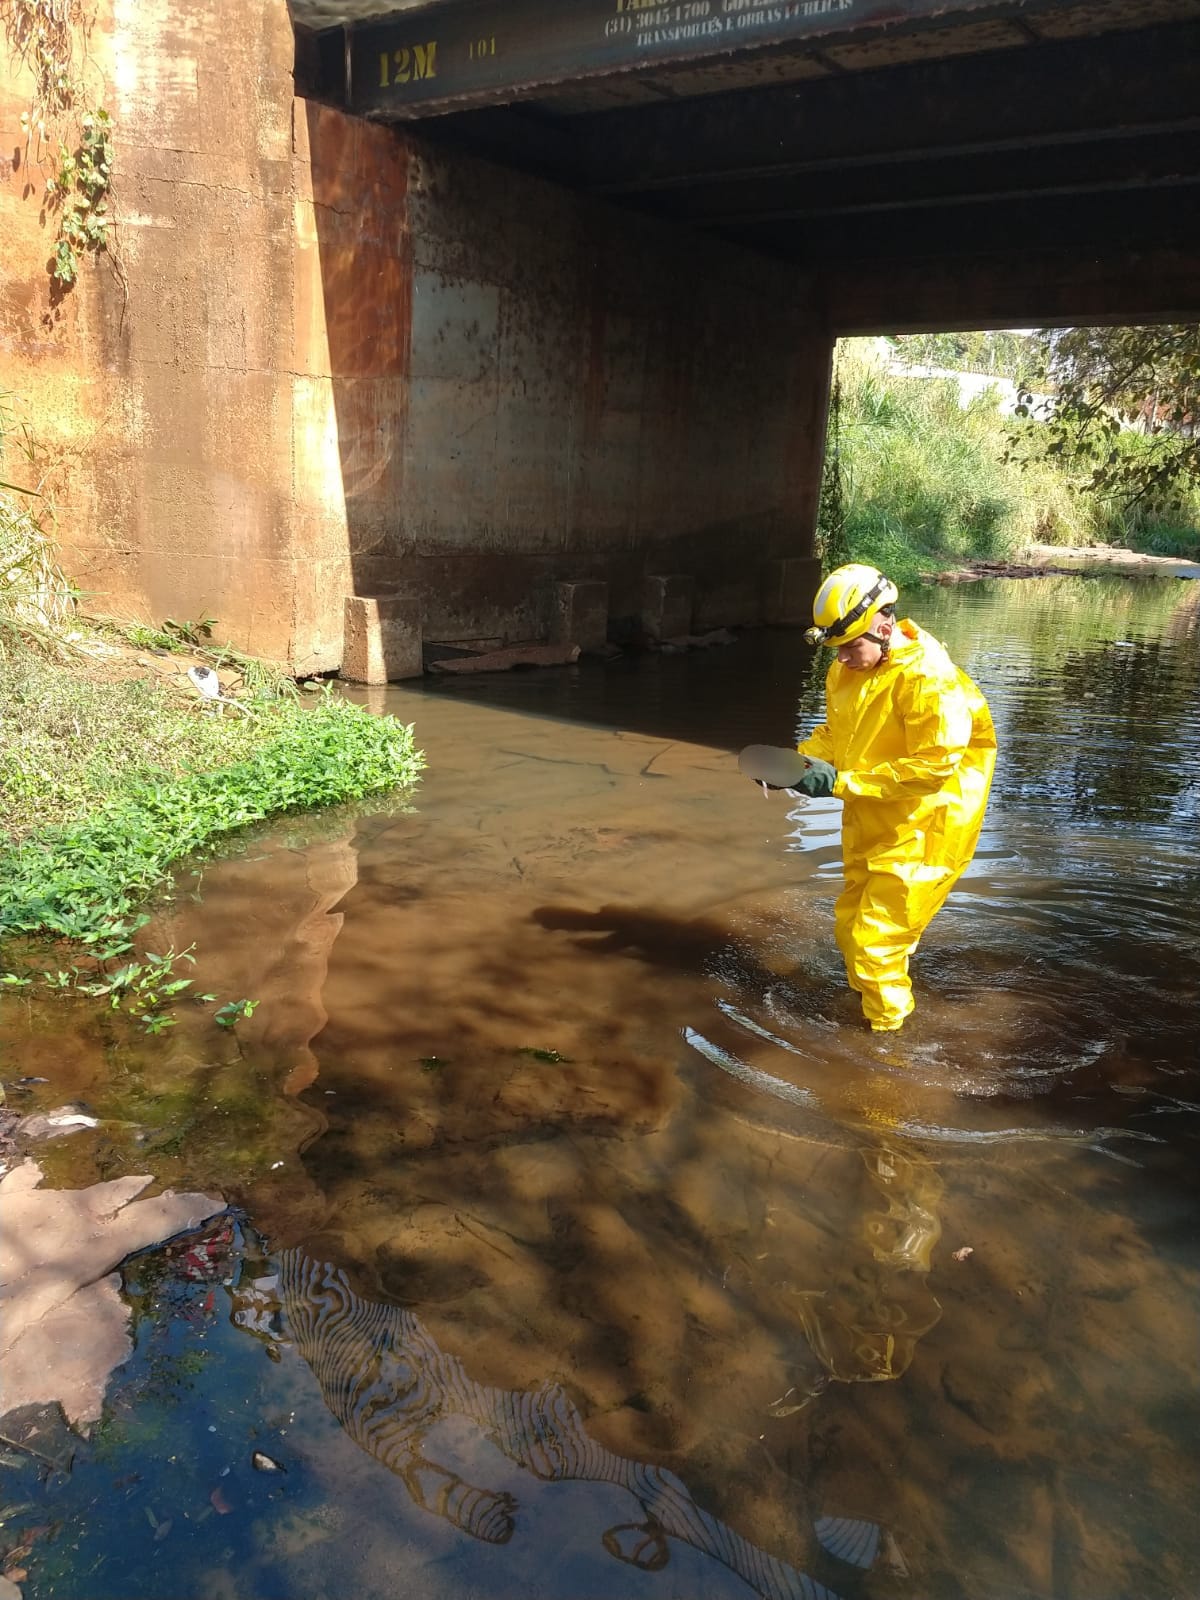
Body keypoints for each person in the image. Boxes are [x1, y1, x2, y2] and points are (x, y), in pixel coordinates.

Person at [787, 563, 997, 1032]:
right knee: (850, 930)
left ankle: (886, 1050)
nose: (841, 659)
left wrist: (840, 784)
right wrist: (796, 763)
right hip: (872, 820)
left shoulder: (929, 681)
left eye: (850, 647)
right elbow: (836, 735)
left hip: (926, 829)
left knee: (875, 944)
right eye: (835, 649)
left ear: (883, 627)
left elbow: (933, 767)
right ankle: (870, 1008)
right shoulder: (849, 671)